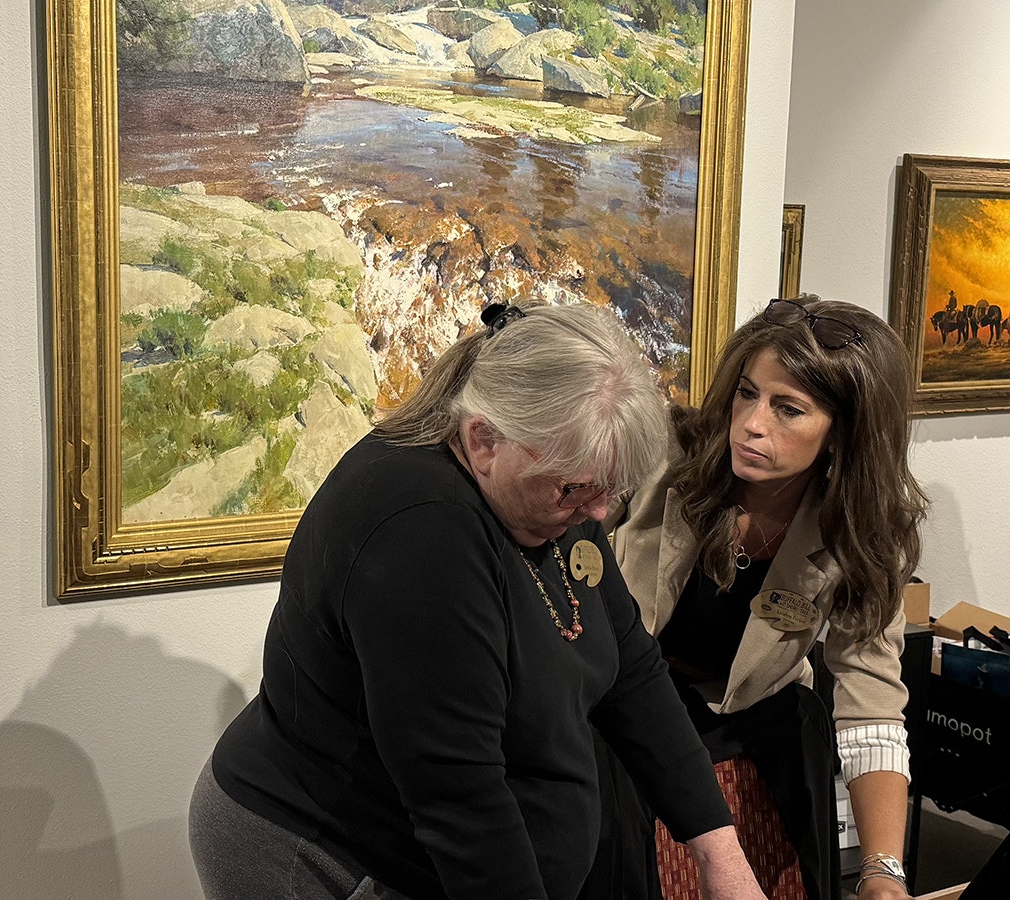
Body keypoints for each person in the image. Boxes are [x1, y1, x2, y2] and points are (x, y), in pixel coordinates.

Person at [189, 302, 770, 900]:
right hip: (328, 857)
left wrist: (719, 851)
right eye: (576, 489)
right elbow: (459, 794)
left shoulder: (550, 492)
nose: (597, 514)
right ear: (484, 440)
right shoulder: (422, 529)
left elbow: (633, 673)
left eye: (609, 489)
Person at [611, 296, 928, 900]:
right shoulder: (662, 459)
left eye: (789, 410)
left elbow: (873, 700)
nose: (753, 424)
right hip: (629, 706)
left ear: (843, 435)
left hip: (762, 733)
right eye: (747, 393)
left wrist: (882, 872)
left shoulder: (862, 529)